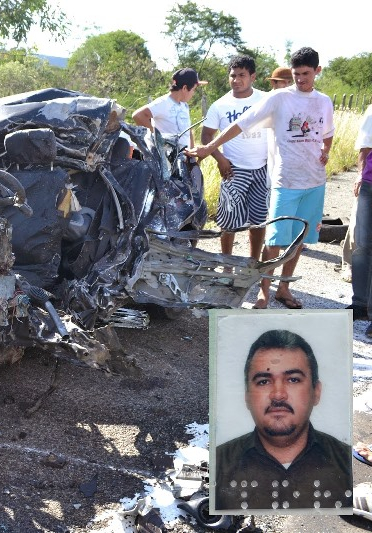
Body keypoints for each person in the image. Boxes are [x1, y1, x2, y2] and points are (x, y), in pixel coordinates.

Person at [186, 47, 334, 309]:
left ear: (317, 71)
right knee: (275, 239)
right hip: (284, 181)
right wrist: (210, 149)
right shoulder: (278, 98)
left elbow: (327, 132)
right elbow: (242, 123)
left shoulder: (324, 101)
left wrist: (326, 150)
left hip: (314, 182)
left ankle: (284, 288)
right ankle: (263, 292)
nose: (300, 79)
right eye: (296, 74)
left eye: (306, 74)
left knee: (299, 239)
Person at [213, 329, 352, 511]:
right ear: (247, 397)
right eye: (263, 381)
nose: (278, 395)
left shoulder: (346, 462)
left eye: (293, 380)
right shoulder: (218, 464)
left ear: (316, 393)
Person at [201, 55, 269, 260]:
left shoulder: (266, 99)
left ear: (253, 77)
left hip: (262, 168)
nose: (236, 80)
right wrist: (220, 159)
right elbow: (206, 136)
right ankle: (227, 265)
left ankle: (253, 263)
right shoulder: (220, 105)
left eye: (242, 75)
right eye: (233, 75)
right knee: (228, 222)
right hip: (233, 169)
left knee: (258, 221)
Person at [132, 68, 207, 149]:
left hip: (184, 159)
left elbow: (188, 131)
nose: (193, 93)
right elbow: (138, 116)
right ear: (185, 88)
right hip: (167, 158)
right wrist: (156, 139)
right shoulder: (163, 103)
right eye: (193, 89)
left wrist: (192, 155)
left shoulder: (184, 105)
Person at [349, 104, 372, 327]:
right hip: (370, 184)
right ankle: (360, 304)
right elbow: (364, 147)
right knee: (363, 245)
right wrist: (359, 175)